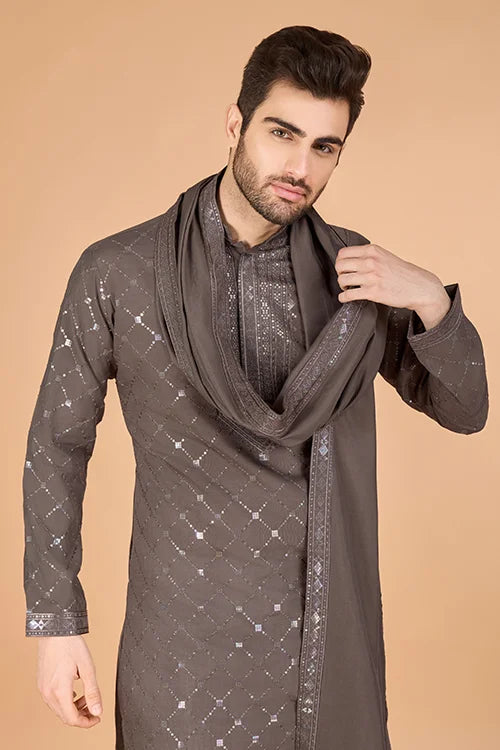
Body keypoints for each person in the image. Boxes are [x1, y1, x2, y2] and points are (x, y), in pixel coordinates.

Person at [22, 24, 488, 750]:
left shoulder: (357, 277)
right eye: (282, 133)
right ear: (235, 124)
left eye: (325, 147)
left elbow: (465, 409)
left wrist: (431, 299)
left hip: (322, 646)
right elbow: (57, 446)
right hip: (177, 651)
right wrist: (57, 625)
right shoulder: (118, 272)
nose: (299, 167)